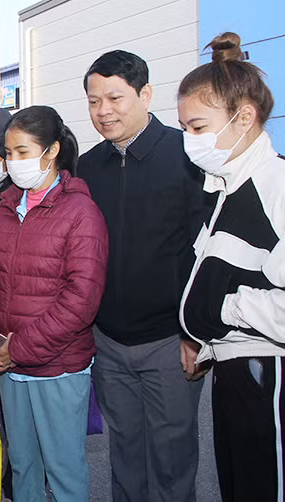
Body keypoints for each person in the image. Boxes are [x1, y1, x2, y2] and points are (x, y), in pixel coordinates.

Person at [78, 50, 212, 502]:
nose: (103, 111)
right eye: (94, 101)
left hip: (170, 341)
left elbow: (204, 253)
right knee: (124, 453)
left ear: (145, 94)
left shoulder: (188, 155)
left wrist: (195, 333)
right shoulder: (89, 167)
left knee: (172, 459)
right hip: (109, 342)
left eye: (114, 97)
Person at [0, 105, 108, 502]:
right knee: (23, 466)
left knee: (63, 471)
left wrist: (18, 348)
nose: (12, 162)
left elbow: (80, 301)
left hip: (57, 367)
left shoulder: (80, 213)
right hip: (9, 366)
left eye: (22, 152)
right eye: (8, 152)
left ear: (50, 152)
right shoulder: (5, 209)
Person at [177, 32, 283, 502]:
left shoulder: (276, 187)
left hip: (267, 373)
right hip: (231, 368)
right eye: (183, 127)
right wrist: (202, 340)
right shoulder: (222, 186)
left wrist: (226, 310)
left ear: (244, 118)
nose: (188, 140)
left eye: (197, 126)